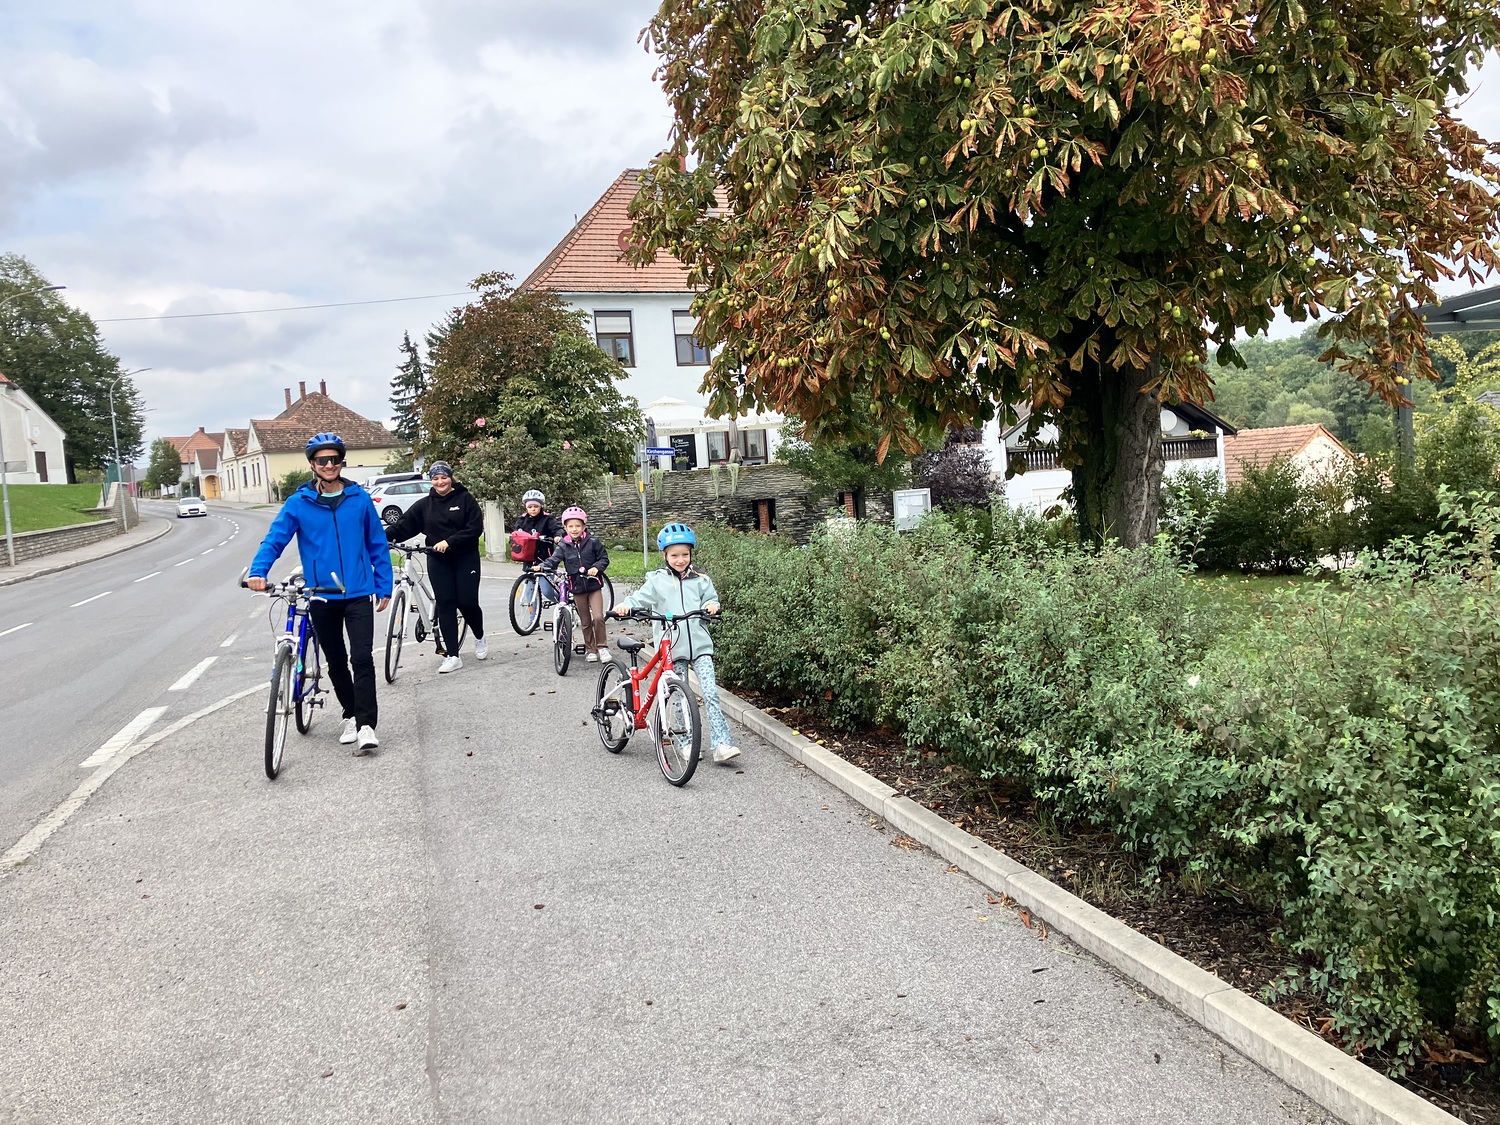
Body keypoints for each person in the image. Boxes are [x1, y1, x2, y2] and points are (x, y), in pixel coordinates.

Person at [247, 433, 393, 754]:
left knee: (362, 658)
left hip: (358, 592)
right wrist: (258, 571)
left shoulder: (359, 499)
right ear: (313, 465)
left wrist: (384, 583)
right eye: (322, 460)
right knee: (336, 661)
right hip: (321, 595)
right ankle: (350, 714)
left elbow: (377, 544)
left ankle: (366, 725)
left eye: (334, 459)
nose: (329, 465)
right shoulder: (298, 503)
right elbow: (275, 539)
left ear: (342, 462)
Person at [613, 522, 740, 764]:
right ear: (665, 555)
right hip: (672, 648)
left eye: (685, 554)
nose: (680, 560)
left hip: (700, 646)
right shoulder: (657, 580)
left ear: (691, 554)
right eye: (674, 555)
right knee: (680, 696)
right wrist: (626, 606)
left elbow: (711, 599)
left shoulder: (701, 579)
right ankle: (685, 742)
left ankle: (722, 744)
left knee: (711, 693)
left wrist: (712, 606)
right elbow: (639, 598)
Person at [385, 461, 487, 674]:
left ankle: (479, 636)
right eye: (435, 478)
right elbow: (404, 526)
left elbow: (475, 528)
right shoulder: (425, 505)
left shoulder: (465, 499)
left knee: (467, 602)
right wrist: (380, 539)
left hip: (465, 557)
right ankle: (452, 656)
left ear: (451, 478)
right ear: (431, 480)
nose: (440, 482)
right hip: (438, 559)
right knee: (446, 603)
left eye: (444, 477)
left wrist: (450, 541)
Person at [539, 506, 610, 662]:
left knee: (598, 617)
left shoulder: (593, 542)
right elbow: (554, 560)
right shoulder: (563, 545)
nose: (574, 529)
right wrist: (542, 566)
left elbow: (604, 559)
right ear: (565, 528)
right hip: (577, 588)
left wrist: (596, 567)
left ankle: (602, 647)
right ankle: (590, 649)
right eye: (570, 526)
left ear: (584, 526)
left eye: (578, 526)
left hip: (593, 586)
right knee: (585, 621)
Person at [513, 488, 564, 603]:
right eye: (530, 507)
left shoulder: (547, 519)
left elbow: (557, 529)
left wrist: (557, 536)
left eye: (536, 506)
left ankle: (563, 602)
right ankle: (533, 614)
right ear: (526, 507)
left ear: (541, 506)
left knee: (547, 591)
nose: (533, 509)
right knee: (529, 592)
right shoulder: (522, 520)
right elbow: (516, 533)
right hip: (528, 558)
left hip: (545, 558)